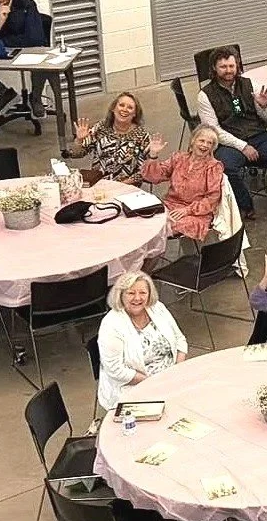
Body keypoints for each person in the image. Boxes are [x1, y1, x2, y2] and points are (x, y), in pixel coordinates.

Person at [197, 47, 267, 221]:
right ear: (214, 69)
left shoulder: (250, 85)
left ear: (237, 65)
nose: (228, 70)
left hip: (258, 136)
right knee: (226, 167)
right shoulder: (205, 95)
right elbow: (213, 131)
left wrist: (263, 107)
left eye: (231, 66)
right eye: (223, 67)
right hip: (229, 143)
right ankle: (245, 206)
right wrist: (243, 146)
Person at [95, 271, 189, 415]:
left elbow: (180, 340)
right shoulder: (111, 324)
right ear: (120, 295)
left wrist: (175, 372)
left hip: (171, 379)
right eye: (131, 293)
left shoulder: (157, 308)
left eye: (143, 293)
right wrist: (154, 383)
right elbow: (115, 370)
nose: (137, 298)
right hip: (136, 388)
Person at [137, 129, 225, 242]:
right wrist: (153, 155)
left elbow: (212, 200)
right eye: (202, 140)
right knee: (144, 222)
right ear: (193, 141)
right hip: (169, 205)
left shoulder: (213, 167)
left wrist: (187, 210)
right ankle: (145, 257)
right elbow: (153, 177)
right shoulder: (178, 158)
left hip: (195, 215)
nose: (205, 145)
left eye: (210, 143)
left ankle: (147, 257)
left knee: (159, 229)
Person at [69, 92, 153, 184]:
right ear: (113, 108)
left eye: (130, 107)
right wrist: (79, 140)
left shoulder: (141, 135)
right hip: (99, 186)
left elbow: (147, 170)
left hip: (127, 188)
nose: (124, 109)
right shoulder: (101, 127)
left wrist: (123, 184)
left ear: (135, 114)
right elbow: (77, 154)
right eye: (121, 105)